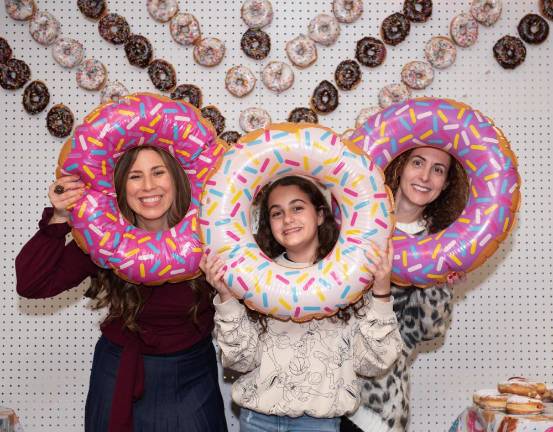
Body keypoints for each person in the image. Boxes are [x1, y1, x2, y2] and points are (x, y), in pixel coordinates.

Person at [15, 146, 228, 432]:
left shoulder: (209, 235)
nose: (149, 186)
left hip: (190, 375)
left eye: (158, 172)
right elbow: (32, 283)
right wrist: (60, 217)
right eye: (135, 176)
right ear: (121, 187)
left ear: (176, 178)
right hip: (119, 373)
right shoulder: (106, 238)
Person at [201, 175, 403, 432]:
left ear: (319, 215)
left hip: (318, 424)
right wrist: (227, 297)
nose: (287, 219)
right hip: (257, 421)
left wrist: (381, 290)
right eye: (277, 213)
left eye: (297, 208)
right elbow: (240, 360)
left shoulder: (350, 278)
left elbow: (373, 362)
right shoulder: (255, 279)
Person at [341, 146, 469, 432]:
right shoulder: (357, 223)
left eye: (438, 170)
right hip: (323, 396)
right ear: (400, 166)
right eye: (418, 163)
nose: (425, 176)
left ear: (446, 183)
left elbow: (429, 332)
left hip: (377, 407)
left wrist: (438, 280)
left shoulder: (440, 245)